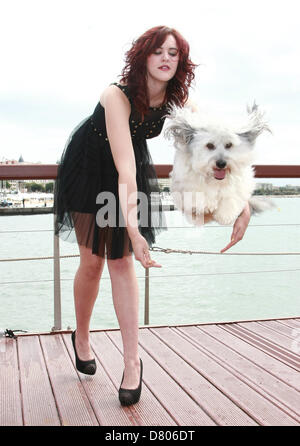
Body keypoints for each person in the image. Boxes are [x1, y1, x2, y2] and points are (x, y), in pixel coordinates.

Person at [54, 25, 250, 406]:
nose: (165, 58)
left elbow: (213, 153)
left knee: (122, 262)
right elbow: (124, 169)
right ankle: (81, 336)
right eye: (158, 51)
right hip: (91, 167)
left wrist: (241, 203)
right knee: (92, 262)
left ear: (181, 62)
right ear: (144, 56)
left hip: (127, 170)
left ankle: (132, 363)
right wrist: (135, 230)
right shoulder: (117, 95)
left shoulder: (180, 102)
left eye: (173, 53)